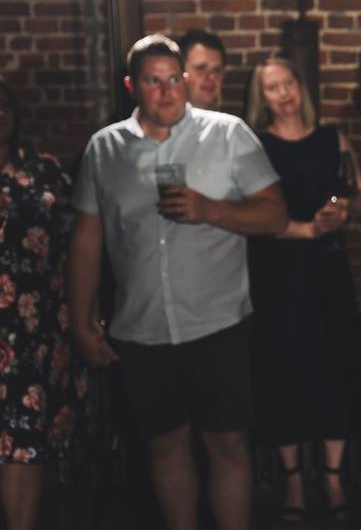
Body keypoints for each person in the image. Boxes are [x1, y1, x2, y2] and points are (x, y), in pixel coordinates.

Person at [68, 34, 287, 530]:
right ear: (132, 86)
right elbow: (86, 240)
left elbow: (275, 216)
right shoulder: (105, 149)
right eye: (154, 81)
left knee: (227, 442)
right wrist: (81, 320)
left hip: (217, 322)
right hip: (141, 326)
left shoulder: (227, 134)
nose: (168, 92)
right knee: (165, 444)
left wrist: (208, 208)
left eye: (175, 79)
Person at [244, 58, 361, 524]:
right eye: (272, 87)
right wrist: (301, 228)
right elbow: (246, 212)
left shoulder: (331, 138)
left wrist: (346, 211)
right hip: (277, 274)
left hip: (329, 272)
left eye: (288, 82)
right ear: (262, 97)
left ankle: (333, 478)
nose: (283, 93)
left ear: (301, 85)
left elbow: (360, 191)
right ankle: (294, 478)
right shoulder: (256, 146)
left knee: (335, 367)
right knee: (282, 374)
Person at [0, 79, 85, 530]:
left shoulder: (43, 171)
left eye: (4, 103)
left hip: (35, 325)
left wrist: (86, 313)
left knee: (25, 435)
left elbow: (78, 242)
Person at [178, 29, 226, 110]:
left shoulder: (231, 122)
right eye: (201, 68)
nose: (212, 77)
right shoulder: (159, 121)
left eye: (217, 70)